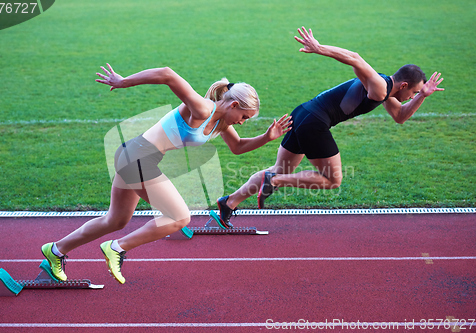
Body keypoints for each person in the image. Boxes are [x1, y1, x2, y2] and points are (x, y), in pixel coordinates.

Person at [41, 64, 292, 284]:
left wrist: (267, 137)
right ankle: (117, 248)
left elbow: (237, 148)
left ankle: (56, 250)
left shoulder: (219, 122)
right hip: (138, 157)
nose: (242, 122)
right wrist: (123, 81)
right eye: (244, 117)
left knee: (116, 220)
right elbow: (167, 74)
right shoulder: (203, 109)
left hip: (133, 155)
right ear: (234, 104)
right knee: (179, 217)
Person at [217, 26, 444, 225]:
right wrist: (319, 48)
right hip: (315, 122)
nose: (410, 96)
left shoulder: (385, 91)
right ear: (404, 84)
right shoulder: (379, 86)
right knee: (332, 180)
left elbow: (400, 116)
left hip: (303, 113)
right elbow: (355, 58)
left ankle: (230, 202)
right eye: (412, 92)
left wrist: (422, 95)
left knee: (280, 168)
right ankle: (275, 181)